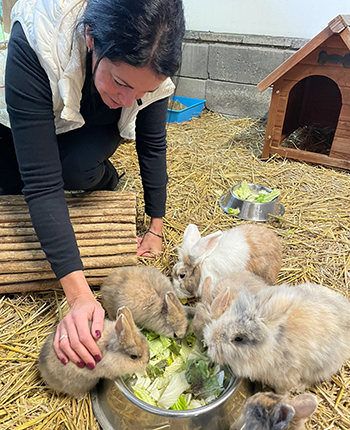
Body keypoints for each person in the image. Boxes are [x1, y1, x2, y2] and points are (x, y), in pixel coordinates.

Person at [0, 0, 185, 369]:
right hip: (36, 112)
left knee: (76, 170)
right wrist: (80, 295)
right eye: (121, 82)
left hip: (92, 121)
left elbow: (153, 144)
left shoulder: (153, 64)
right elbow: (41, 183)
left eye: (141, 94)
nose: (128, 101)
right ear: (90, 38)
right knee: (13, 181)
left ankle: (104, 175)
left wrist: (156, 226)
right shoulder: (37, 37)